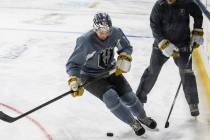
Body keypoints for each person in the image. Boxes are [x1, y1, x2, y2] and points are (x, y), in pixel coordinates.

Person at [66, 12, 157, 136]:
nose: (104, 35)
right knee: (110, 97)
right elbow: (73, 64)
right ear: (95, 29)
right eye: (101, 32)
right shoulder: (85, 41)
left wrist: (124, 57)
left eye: (107, 31)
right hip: (90, 76)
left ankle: (143, 117)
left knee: (129, 97)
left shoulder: (116, 33)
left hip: (111, 70)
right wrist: (74, 79)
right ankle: (132, 122)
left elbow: (126, 47)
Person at [136, 0, 204, 117]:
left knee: (187, 72)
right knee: (153, 71)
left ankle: (193, 103)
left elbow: (198, 13)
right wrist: (162, 43)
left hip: (182, 45)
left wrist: (197, 30)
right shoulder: (159, 5)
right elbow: (154, 26)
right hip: (162, 45)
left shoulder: (186, 2)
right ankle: (139, 100)